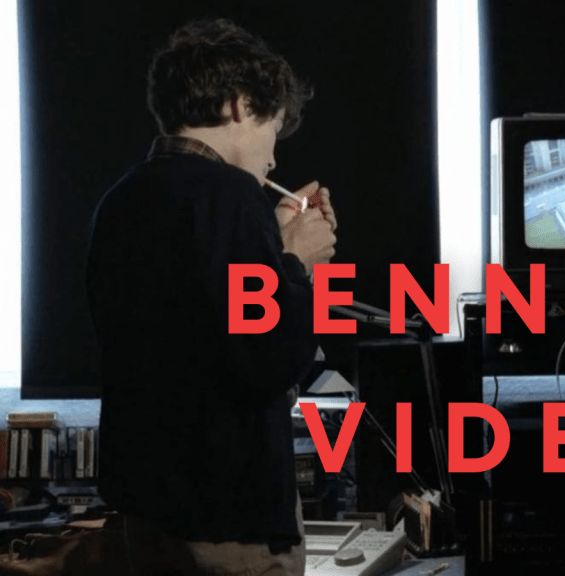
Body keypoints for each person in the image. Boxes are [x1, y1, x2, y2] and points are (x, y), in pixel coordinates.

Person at [86, 18, 336, 575]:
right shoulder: (233, 195)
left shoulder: (121, 200)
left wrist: (274, 249)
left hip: (148, 512)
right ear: (241, 105)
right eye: (273, 127)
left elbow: (200, 331)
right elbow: (270, 357)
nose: (273, 159)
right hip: (229, 517)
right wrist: (301, 265)